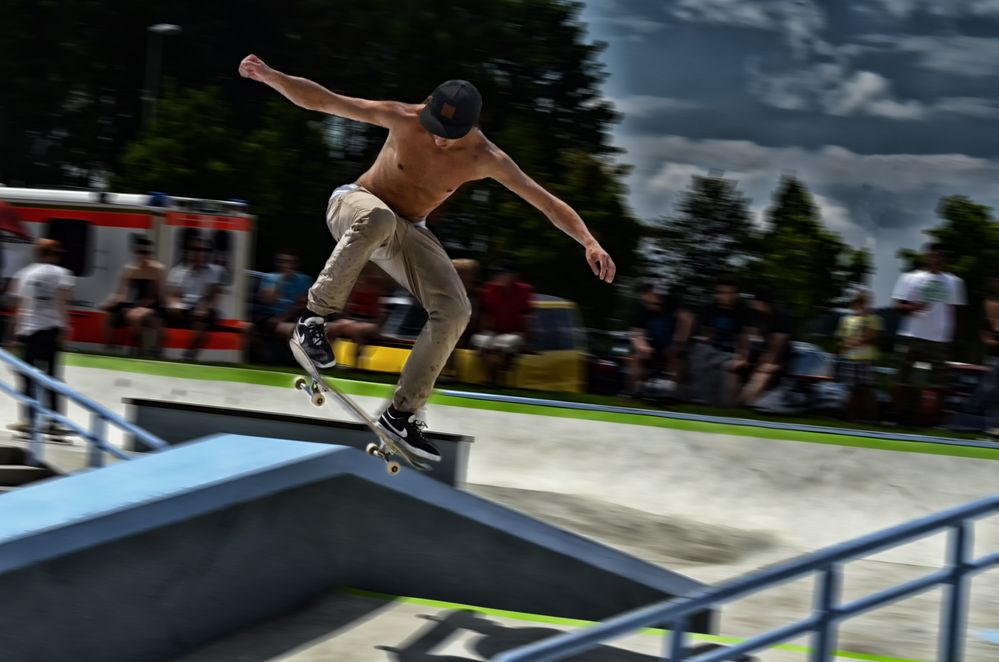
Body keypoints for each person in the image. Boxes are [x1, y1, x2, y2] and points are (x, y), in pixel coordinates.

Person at [239, 55, 616, 463]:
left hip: (408, 229)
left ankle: (402, 414)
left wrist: (588, 241)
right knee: (379, 216)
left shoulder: (487, 158)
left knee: (455, 309)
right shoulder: (403, 117)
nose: (439, 140)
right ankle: (311, 321)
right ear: (427, 106)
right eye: (436, 129)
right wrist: (272, 76)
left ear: (473, 127)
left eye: (450, 135)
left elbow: (543, 201)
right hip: (353, 205)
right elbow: (324, 101)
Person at [890, 242, 966, 426]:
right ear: (926, 256)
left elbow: (956, 311)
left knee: (939, 383)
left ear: (944, 258)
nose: (937, 259)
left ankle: (932, 422)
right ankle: (900, 418)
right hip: (911, 335)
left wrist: (952, 337)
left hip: (939, 339)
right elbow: (898, 306)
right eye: (933, 255)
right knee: (903, 378)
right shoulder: (910, 278)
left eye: (940, 256)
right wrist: (913, 307)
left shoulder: (954, 282)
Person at [6, 239, 74, 435]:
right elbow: (62, 303)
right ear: (52, 254)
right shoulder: (63, 274)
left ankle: (29, 419)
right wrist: (65, 327)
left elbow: (19, 308)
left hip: (27, 331)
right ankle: (55, 421)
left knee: (27, 378)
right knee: (52, 376)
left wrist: (13, 336)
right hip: (50, 329)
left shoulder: (24, 274)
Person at [101, 235, 165, 357]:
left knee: (135, 316)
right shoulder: (129, 269)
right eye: (142, 252)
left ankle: (139, 350)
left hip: (151, 304)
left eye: (148, 252)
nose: (145, 256)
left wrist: (137, 306)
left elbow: (155, 296)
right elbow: (121, 292)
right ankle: (110, 348)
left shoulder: (157, 269)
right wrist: (111, 301)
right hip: (133, 303)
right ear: (136, 252)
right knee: (109, 314)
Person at [625, 282, 692, 398]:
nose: (648, 304)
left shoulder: (673, 304)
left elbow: (687, 320)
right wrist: (643, 347)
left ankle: (671, 392)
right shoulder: (641, 309)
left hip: (672, 347)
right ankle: (634, 391)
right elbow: (637, 333)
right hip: (652, 348)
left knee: (678, 359)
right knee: (635, 358)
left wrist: (677, 344)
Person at [471, 265, 534, 387]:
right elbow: (486, 314)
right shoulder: (489, 289)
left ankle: (493, 381)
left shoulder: (524, 291)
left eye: (504, 274)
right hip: (494, 331)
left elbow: (526, 316)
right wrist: (484, 331)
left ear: (513, 277)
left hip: (515, 332)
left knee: (500, 347)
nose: (500, 277)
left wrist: (528, 338)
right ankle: (491, 380)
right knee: (482, 343)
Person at [691, 278, 749, 407]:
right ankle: (701, 398)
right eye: (721, 292)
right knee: (699, 351)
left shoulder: (741, 312)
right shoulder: (710, 310)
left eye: (728, 293)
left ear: (734, 295)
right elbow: (706, 335)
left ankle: (726, 405)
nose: (724, 296)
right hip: (713, 350)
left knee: (731, 370)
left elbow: (744, 338)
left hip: (730, 352)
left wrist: (742, 357)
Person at [165, 238, 225, 361]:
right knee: (158, 315)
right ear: (189, 251)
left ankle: (189, 355)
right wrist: (174, 304)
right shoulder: (178, 271)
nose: (201, 253)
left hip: (203, 306)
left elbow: (212, 296)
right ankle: (155, 352)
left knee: (203, 321)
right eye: (197, 249)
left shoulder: (215, 271)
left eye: (205, 250)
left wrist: (205, 308)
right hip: (184, 306)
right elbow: (174, 295)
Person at [250, 250, 313, 362]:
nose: (285, 265)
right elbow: (268, 301)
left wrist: (282, 318)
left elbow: (303, 303)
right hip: (269, 316)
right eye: (282, 261)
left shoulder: (304, 280)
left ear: (295, 264)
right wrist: (280, 281)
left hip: (290, 317)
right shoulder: (270, 278)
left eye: (289, 262)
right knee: (293, 329)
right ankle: (292, 360)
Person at [736, 287, 793, 406]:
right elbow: (745, 337)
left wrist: (758, 366)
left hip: (778, 362)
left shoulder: (781, 318)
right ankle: (734, 401)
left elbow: (774, 352)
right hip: (757, 356)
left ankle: (743, 402)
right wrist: (743, 357)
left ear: (762, 303)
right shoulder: (756, 316)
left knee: (764, 371)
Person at [836, 290, 883, 421]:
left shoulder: (874, 319)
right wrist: (846, 345)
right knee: (851, 390)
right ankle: (851, 417)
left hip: (866, 359)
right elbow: (841, 339)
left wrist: (862, 338)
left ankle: (871, 418)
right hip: (850, 359)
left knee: (866, 390)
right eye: (857, 302)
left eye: (863, 302)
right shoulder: (846, 319)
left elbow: (875, 339)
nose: (860, 306)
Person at [980, 273, 999, 439]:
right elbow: (985, 331)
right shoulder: (990, 303)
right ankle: (993, 428)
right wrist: (989, 341)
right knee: (994, 392)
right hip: (995, 356)